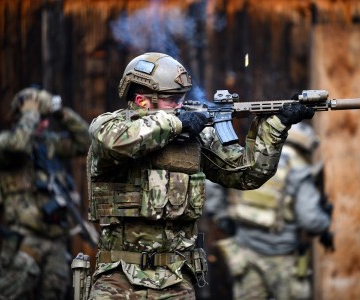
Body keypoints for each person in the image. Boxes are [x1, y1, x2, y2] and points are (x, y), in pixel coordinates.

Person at [87, 52, 314, 299]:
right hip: (117, 280)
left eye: (181, 98)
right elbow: (114, 141)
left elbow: (247, 173)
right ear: (142, 101)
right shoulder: (110, 127)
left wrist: (277, 126)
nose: (180, 106)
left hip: (175, 281)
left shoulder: (194, 139)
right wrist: (176, 124)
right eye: (171, 100)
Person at [0, 87, 91, 299]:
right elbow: (18, 145)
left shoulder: (48, 143)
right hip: (24, 242)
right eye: (39, 118)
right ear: (21, 116)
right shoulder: (0, 145)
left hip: (55, 241)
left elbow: (86, 142)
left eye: (46, 118)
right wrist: (31, 111)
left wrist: (60, 112)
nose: (43, 123)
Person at [209, 122, 332, 300]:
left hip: (245, 254)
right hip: (282, 258)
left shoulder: (253, 157)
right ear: (307, 146)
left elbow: (213, 180)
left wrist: (222, 217)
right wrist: (325, 222)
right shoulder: (299, 170)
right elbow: (311, 220)